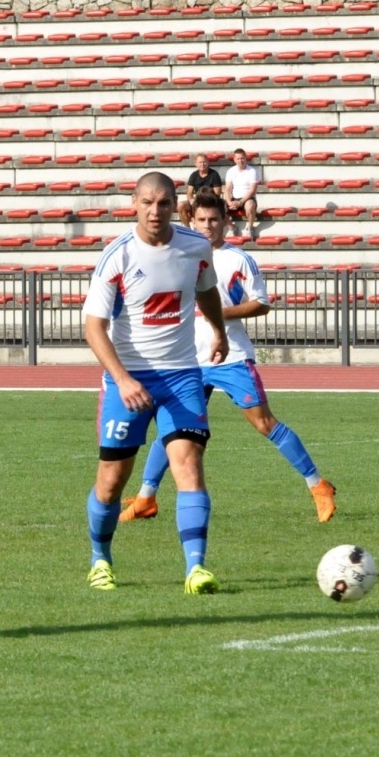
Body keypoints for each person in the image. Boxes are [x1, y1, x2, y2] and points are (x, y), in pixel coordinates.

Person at [119, 192, 337, 525]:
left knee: (264, 423)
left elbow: (262, 303)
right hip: (186, 360)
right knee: (173, 428)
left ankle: (318, 486)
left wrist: (218, 314)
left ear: (225, 221)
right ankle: (146, 497)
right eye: (201, 220)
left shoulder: (238, 260)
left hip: (230, 357)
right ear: (192, 221)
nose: (207, 226)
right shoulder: (181, 253)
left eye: (214, 220)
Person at [82, 172, 229, 594]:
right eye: (147, 202)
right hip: (128, 381)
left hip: (182, 375)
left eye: (163, 203)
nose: (155, 211)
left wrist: (218, 331)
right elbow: (93, 328)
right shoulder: (117, 256)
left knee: (189, 466)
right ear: (133, 203)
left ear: (175, 205)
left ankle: (196, 568)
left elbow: (206, 290)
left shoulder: (195, 246)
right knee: (112, 481)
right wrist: (122, 379)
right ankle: (100, 559)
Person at [222, 148, 262, 243]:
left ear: (246, 158)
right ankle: (232, 227)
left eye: (242, 158)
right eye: (238, 158)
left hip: (247, 198)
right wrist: (229, 202)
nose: (240, 161)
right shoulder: (230, 171)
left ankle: (249, 229)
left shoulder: (252, 171)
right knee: (219, 207)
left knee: (250, 206)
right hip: (234, 198)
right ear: (234, 159)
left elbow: (252, 190)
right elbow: (227, 189)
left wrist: (240, 202)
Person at [178, 153, 223, 226]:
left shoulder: (214, 174)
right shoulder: (194, 175)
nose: (202, 164)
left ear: (208, 163)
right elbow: (189, 192)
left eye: (204, 162)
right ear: (196, 164)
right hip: (197, 200)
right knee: (181, 205)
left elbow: (217, 193)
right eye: (200, 162)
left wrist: (207, 201)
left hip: (210, 201)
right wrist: (191, 200)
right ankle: (187, 228)